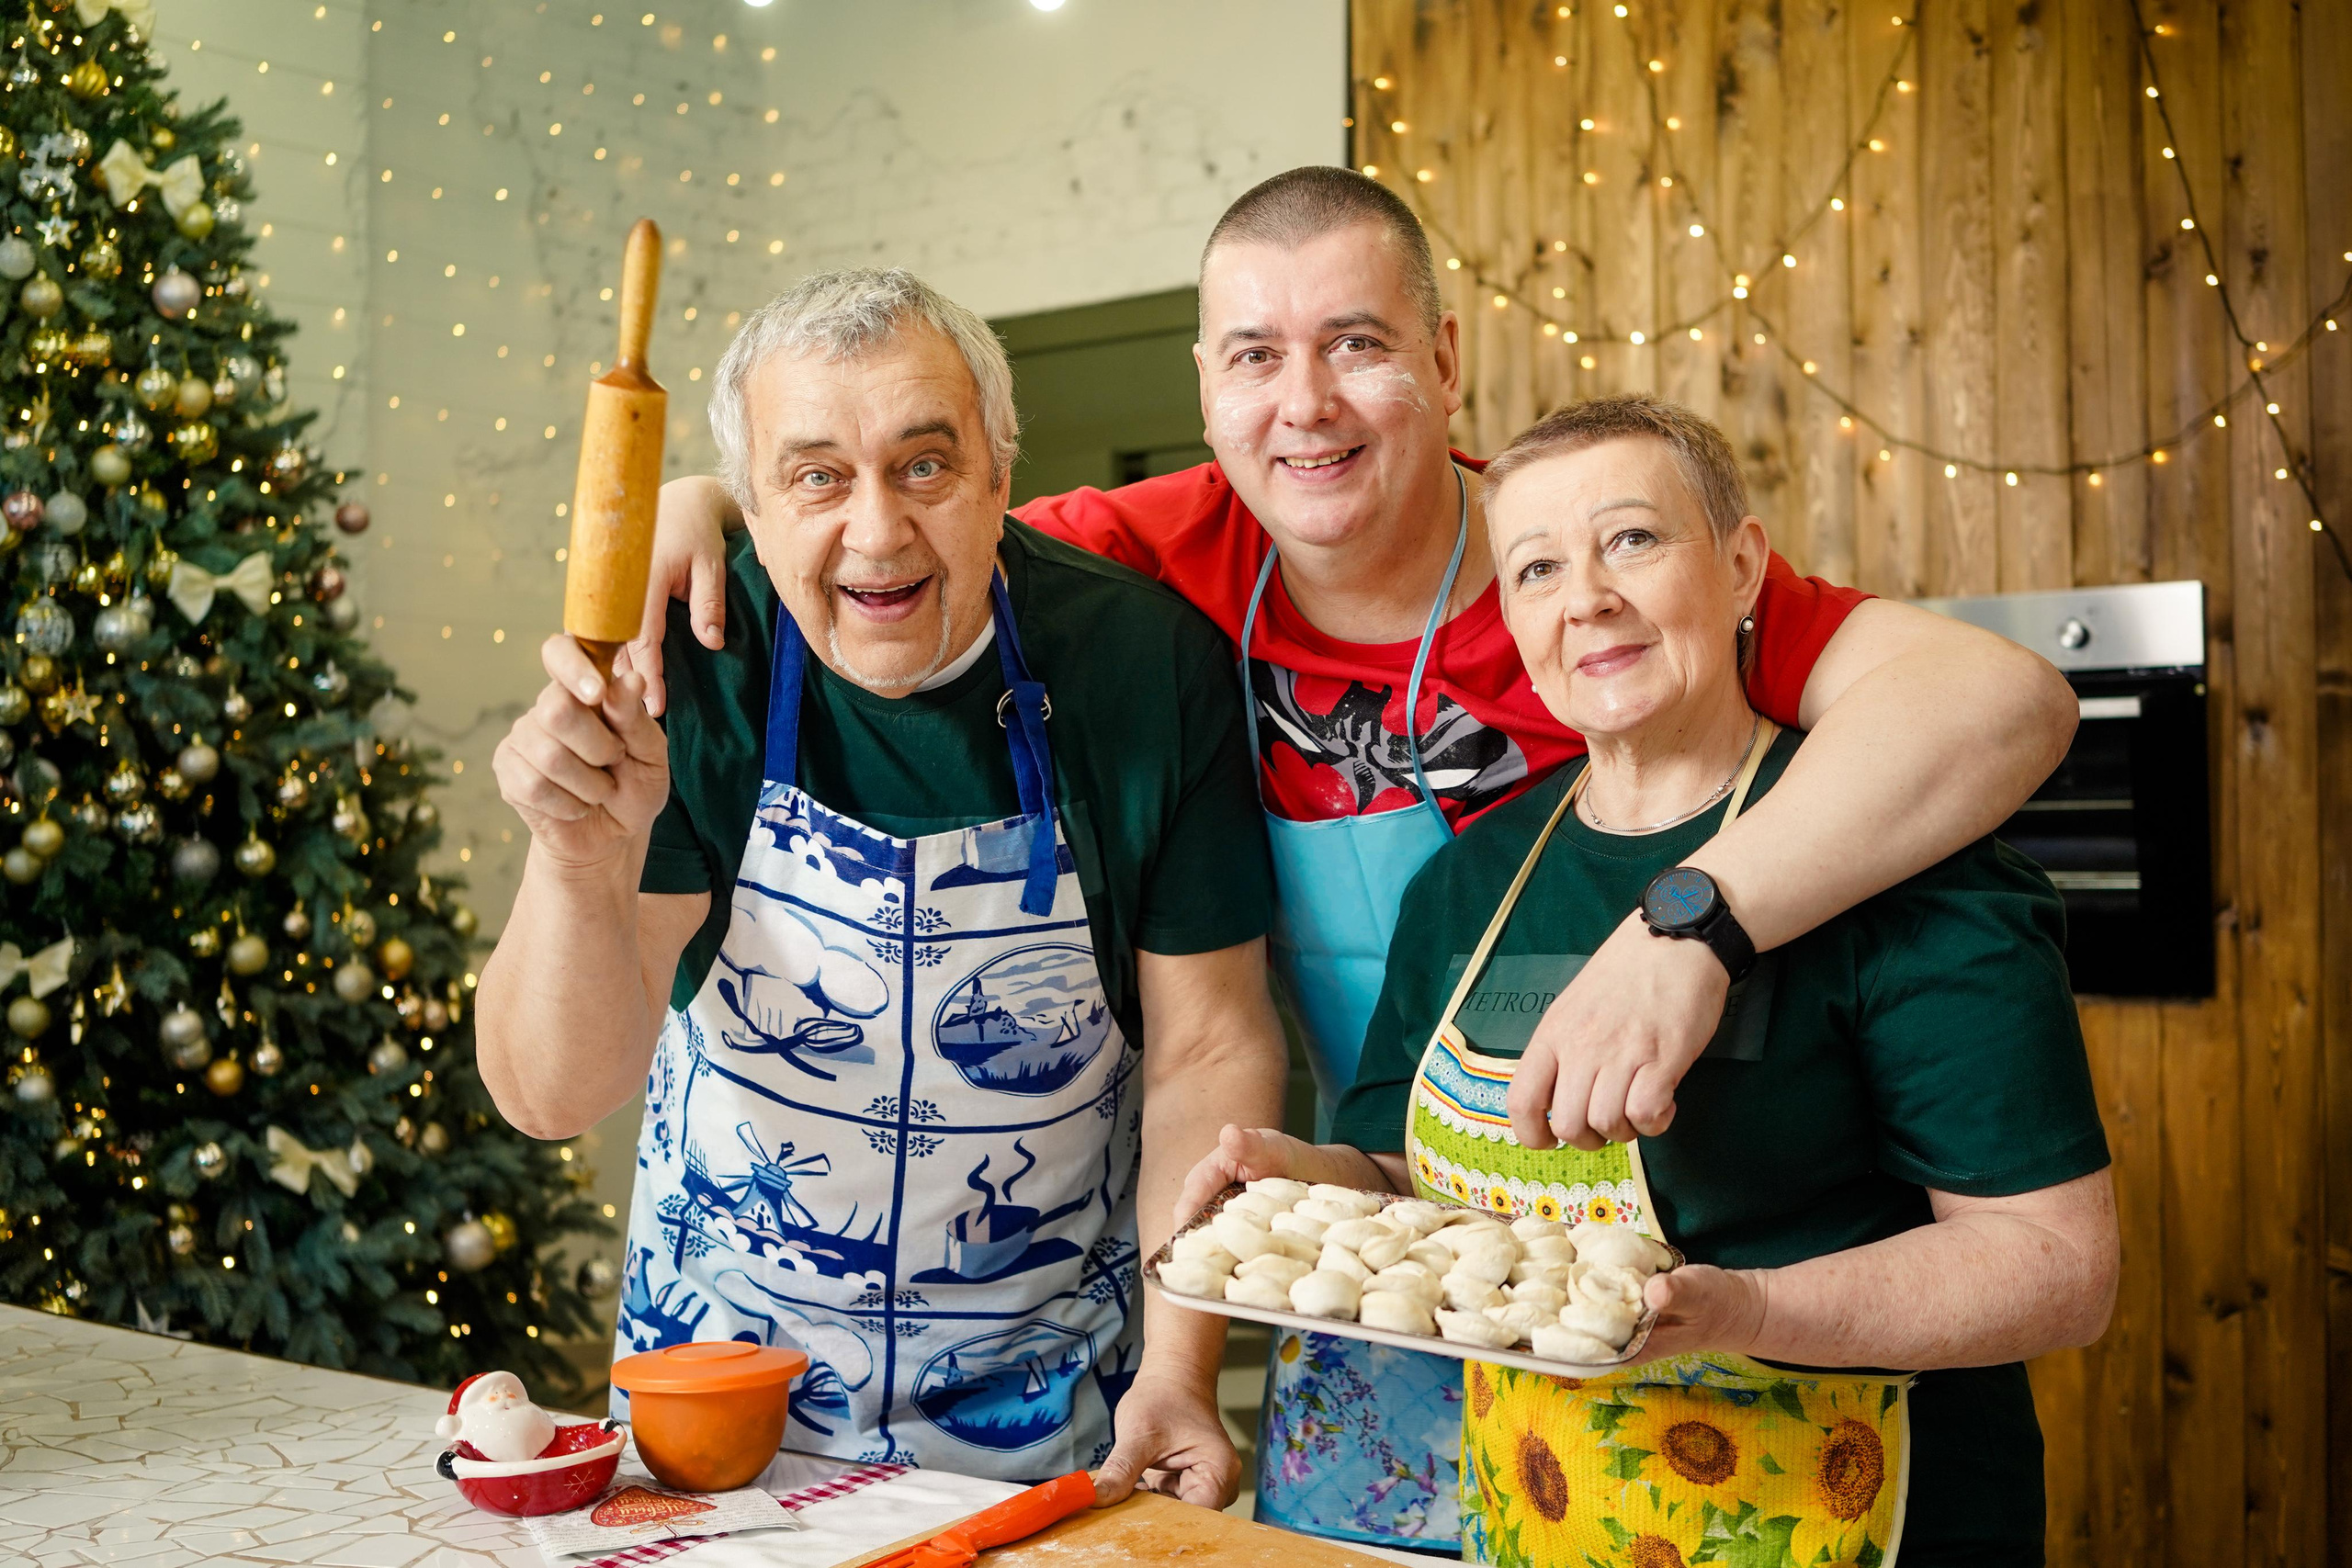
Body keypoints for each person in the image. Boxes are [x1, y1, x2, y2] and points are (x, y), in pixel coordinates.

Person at [631, 168, 2079, 1550]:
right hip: (1409, 1252)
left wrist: (1688, 929)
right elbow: (878, 525)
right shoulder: (1151, 558)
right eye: (1254, 355)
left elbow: (2006, 701)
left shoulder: (1583, 565)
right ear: (1204, 387)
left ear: (1446, 358)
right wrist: (699, 510)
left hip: (1762, 1370)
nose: (1303, 404)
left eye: (1358, 344)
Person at [1179, 393, 2120, 1566]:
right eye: (1535, 569)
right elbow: (1398, 1172)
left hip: (1866, 1514)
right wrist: (1295, 1178)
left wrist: (1757, 1314)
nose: (1587, 599)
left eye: (1631, 540)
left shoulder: (1906, 860)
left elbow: (2053, 1268)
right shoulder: (1470, 886)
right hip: (1539, 1515)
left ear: (1740, 570)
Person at [474, 267, 1288, 1506]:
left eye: (924, 465)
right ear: (750, 501)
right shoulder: (695, 656)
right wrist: (577, 858)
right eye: (816, 476)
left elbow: (1209, 1050)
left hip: (1046, 1431)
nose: (875, 531)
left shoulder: (1144, 667)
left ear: (1001, 469)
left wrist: (1179, 1366)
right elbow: (550, 1092)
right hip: (714, 1428)